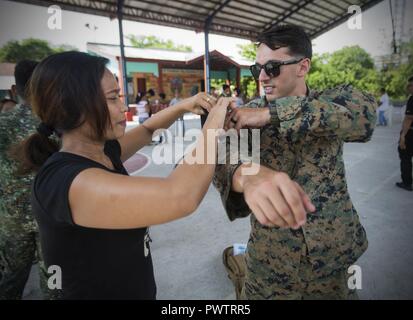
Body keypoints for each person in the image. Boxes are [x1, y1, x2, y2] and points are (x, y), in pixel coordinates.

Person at [13, 51, 312, 299]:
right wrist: (213, 124)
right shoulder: (66, 181)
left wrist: (184, 105)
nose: (123, 107)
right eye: (114, 98)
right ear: (72, 107)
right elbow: (179, 196)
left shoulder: (101, 151)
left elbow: (145, 130)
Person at [213, 24, 377, 300]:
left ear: (302, 67)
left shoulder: (331, 102)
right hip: (272, 261)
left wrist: (272, 114)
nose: (262, 77)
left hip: (332, 260)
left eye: (273, 67)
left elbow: (364, 118)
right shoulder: (247, 113)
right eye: (257, 69)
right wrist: (244, 173)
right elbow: (214, 152)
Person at [0, 60, 50, 299]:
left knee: (11, 278)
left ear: (14, 89)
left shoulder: (3, 125)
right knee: (53, 282)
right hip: (49, 217)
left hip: (11, 220)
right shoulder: (58, 124)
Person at [395, 76, 413, 191]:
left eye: (410, 85)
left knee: (405, 157)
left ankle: (407, 182)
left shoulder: (412, 99)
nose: (408, 87)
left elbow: (409, 118)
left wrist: (403, 136)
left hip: (410, 133)